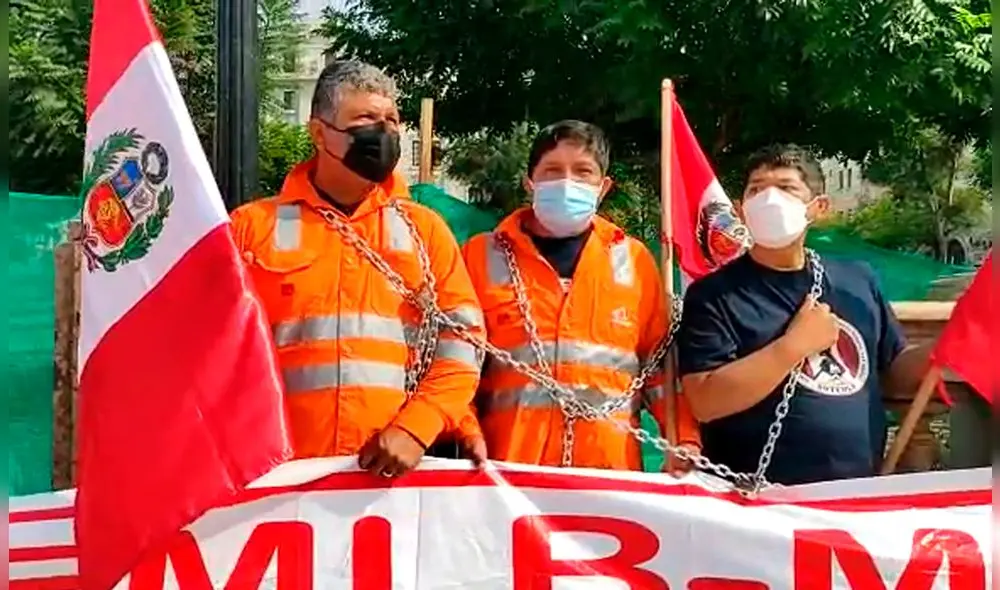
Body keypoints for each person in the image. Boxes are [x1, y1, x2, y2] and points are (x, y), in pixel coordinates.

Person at [230, 60, 485, 478]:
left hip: (389, 475)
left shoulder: (424, 231)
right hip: (274, 477)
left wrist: (417, 428)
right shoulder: (251, 229)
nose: (382, 132)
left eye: (391, 120)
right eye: (365, 119)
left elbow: (462, 344)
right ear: (318, 133)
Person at [453, 120, 701, 471]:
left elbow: (660, 368)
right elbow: (454, 360)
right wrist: (465, 432)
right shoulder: (480, 256)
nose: (566, 182)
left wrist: (682, 438)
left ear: (603, 187)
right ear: (530, 183)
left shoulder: (633, 261)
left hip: (608, 472)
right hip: (507, 470)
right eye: (552, 171)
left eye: (583, 172)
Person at [677, 144, 930, 485]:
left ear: (818, 207)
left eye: (785, 187)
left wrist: (947, 350)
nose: (769, 199)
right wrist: (793, 346)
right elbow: (705, 400)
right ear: (740, 210)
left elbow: (891, 367)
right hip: (751, 502)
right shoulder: (713, 295)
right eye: (756, 189)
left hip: (856, 490)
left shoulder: (857, 281)